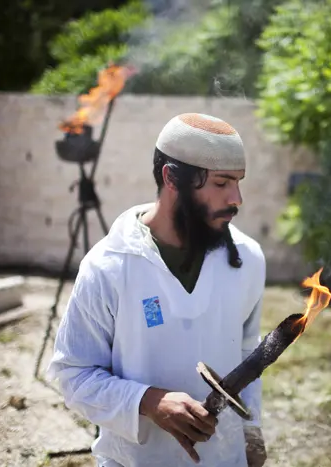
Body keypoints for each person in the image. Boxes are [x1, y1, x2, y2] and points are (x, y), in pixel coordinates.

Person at [47, 113, 268, 467]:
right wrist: (148, 401)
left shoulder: (248, 259)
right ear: (172, 178)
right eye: (222, 183)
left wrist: (251, 432)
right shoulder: (109, 266)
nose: (237, 198)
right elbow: (74, 374)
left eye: (239, 182)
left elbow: (249, 356)